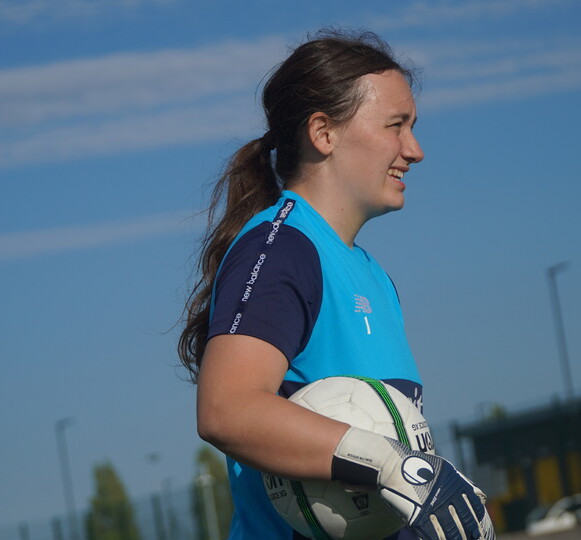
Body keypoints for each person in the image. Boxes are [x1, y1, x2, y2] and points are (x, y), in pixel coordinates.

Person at [178, 29, 495, 540]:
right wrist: (392, 466)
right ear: (323, 133)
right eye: (396, 125)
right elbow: (225, 409)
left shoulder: (373, 275)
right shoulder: (280, 249)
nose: (414, 150)